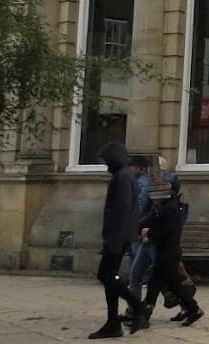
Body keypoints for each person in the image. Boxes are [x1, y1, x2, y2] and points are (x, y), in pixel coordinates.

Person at [90, 141, 147, 339]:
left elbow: (122, 210)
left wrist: (114, 240)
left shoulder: (122, 176)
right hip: (118, 235)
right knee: (109, 277)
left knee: (106, 275)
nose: (106, 165)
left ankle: (138, 306)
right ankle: (113, 321)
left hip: (118, 235)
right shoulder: (124, 175)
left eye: (107, 161)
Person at [132, 172, 203, 330]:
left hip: (168, 253)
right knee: (173, 284)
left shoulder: (170, 208)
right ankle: (193, 309)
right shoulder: (161, 207)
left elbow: (168, 231)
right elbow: (149, 219)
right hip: (165, 252)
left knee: (154, 284)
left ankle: (144, 315)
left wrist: (149, 233)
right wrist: (138, 227)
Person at [126, 155, 154, 298]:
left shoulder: (142, 182)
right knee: (134, 253)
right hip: (136, 224)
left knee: (137, 254)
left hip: (138, 224)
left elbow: (140, 205)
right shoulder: (138, 181)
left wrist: (137, 223)